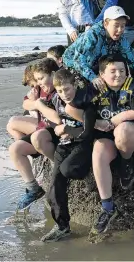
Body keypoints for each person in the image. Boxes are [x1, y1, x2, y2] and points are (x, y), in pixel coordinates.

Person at [65, 54, 134, 237]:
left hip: (130, 134)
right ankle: (107, 207)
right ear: (101, 74)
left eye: (122, 70)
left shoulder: (133, 85)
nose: (118, 75)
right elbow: (70, 108)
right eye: (113, 71)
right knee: (98, 151)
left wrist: (124, 116)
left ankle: (127, 164)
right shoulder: (95, 88)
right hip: (105, 135)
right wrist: (96, 123)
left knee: (123, 131)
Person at [40, 69, 96, 242]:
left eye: (67, 89)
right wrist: (56, 126)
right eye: (60, 90)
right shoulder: (56, 100)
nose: (64, 94)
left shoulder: (86, 101)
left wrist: (66, 129)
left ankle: (87, 175)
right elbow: (50, 118)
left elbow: (88, 132)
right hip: (64, 146)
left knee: (67, 170)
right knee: (53, 188)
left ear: (74, 85)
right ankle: (62, 227)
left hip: (83, 144)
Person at [9, 59, 62, 212]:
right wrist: (36, 103)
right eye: (37, 79)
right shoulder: (39, 89)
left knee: (37, 137)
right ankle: (33, 188)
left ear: (53, 75)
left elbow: (57, 118)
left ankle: (58, 166)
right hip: (42, 128)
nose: (38, 83)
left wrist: (39, 105)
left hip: (58, 131)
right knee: (15, 149)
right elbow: (25, 103)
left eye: (41, 78)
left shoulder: (61, 88)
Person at [62, 6, 134, 90]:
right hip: (74, 65)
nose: (120, 30)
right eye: (116, 25)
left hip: (96, 64)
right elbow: (78, 60)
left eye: (123, 26)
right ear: (106, 24)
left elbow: (133, 58)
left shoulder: (121, 39)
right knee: (87, 89)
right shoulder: (92, 35)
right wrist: (93, 78)